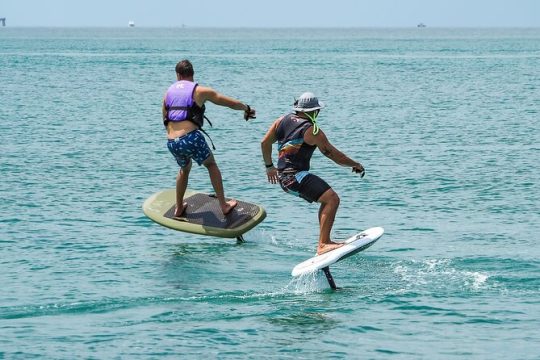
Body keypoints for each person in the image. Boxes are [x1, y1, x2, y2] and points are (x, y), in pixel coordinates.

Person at [261, 92, 365, 255]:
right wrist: (355, 164)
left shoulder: (280, 121)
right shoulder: (311, 130)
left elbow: (264, 143)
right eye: (318, 110)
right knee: (332, 199)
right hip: (294, 177)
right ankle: (323, 244)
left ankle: (325, 241)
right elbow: (333, 154)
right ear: (313, 111)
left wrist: (269, 166)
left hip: (284, 178)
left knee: (328, 199)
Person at [163, 59, 256, 217]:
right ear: (192, 74)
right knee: (211, 165)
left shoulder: (168, 93)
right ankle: (224, 205)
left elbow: (165, 118)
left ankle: (178, 208)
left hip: (172, 142)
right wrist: (246, 108)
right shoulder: (199, 91)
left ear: (177, 75)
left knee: (184, 169)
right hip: (190, 138)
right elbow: (228, 102)